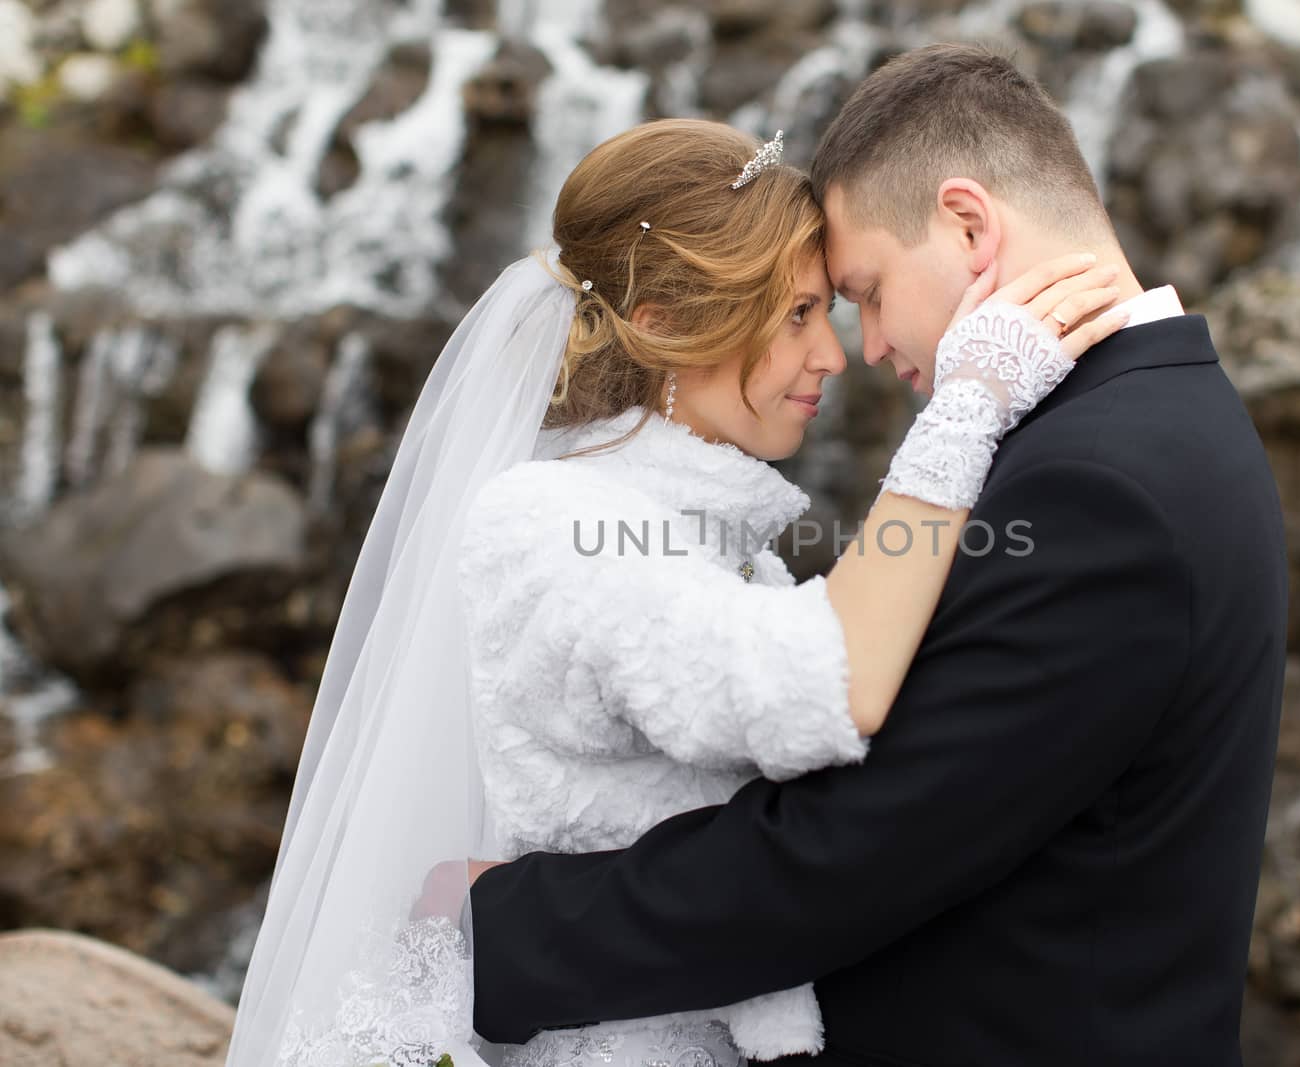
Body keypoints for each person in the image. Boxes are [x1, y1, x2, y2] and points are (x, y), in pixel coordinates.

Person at [224, 115, 1123, 1067]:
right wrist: (966, 411)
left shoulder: (718, 538)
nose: (832, 356)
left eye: (830, 310)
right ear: (661, 324)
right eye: (797, 315)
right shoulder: (549, 520)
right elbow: (818, 685)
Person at [467, 46, 1290, 1066]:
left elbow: (852, 851)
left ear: (969, 226)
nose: (858, 350)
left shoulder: (1099, 485)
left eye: (861, 293)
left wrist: (495, 928)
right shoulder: (1140, 427)